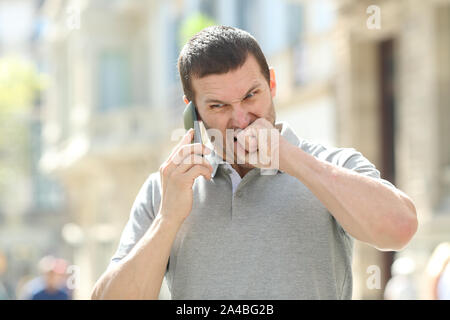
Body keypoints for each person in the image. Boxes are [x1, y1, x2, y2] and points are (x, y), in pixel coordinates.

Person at [91, 26, 418, 300]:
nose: (241, 119)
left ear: (272, 83)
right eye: (218, 106)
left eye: (251, 95)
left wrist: (289, 157)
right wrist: (167, 218)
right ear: (192, 112)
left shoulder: (333, 164)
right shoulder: (167, 188)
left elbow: (400, 230)